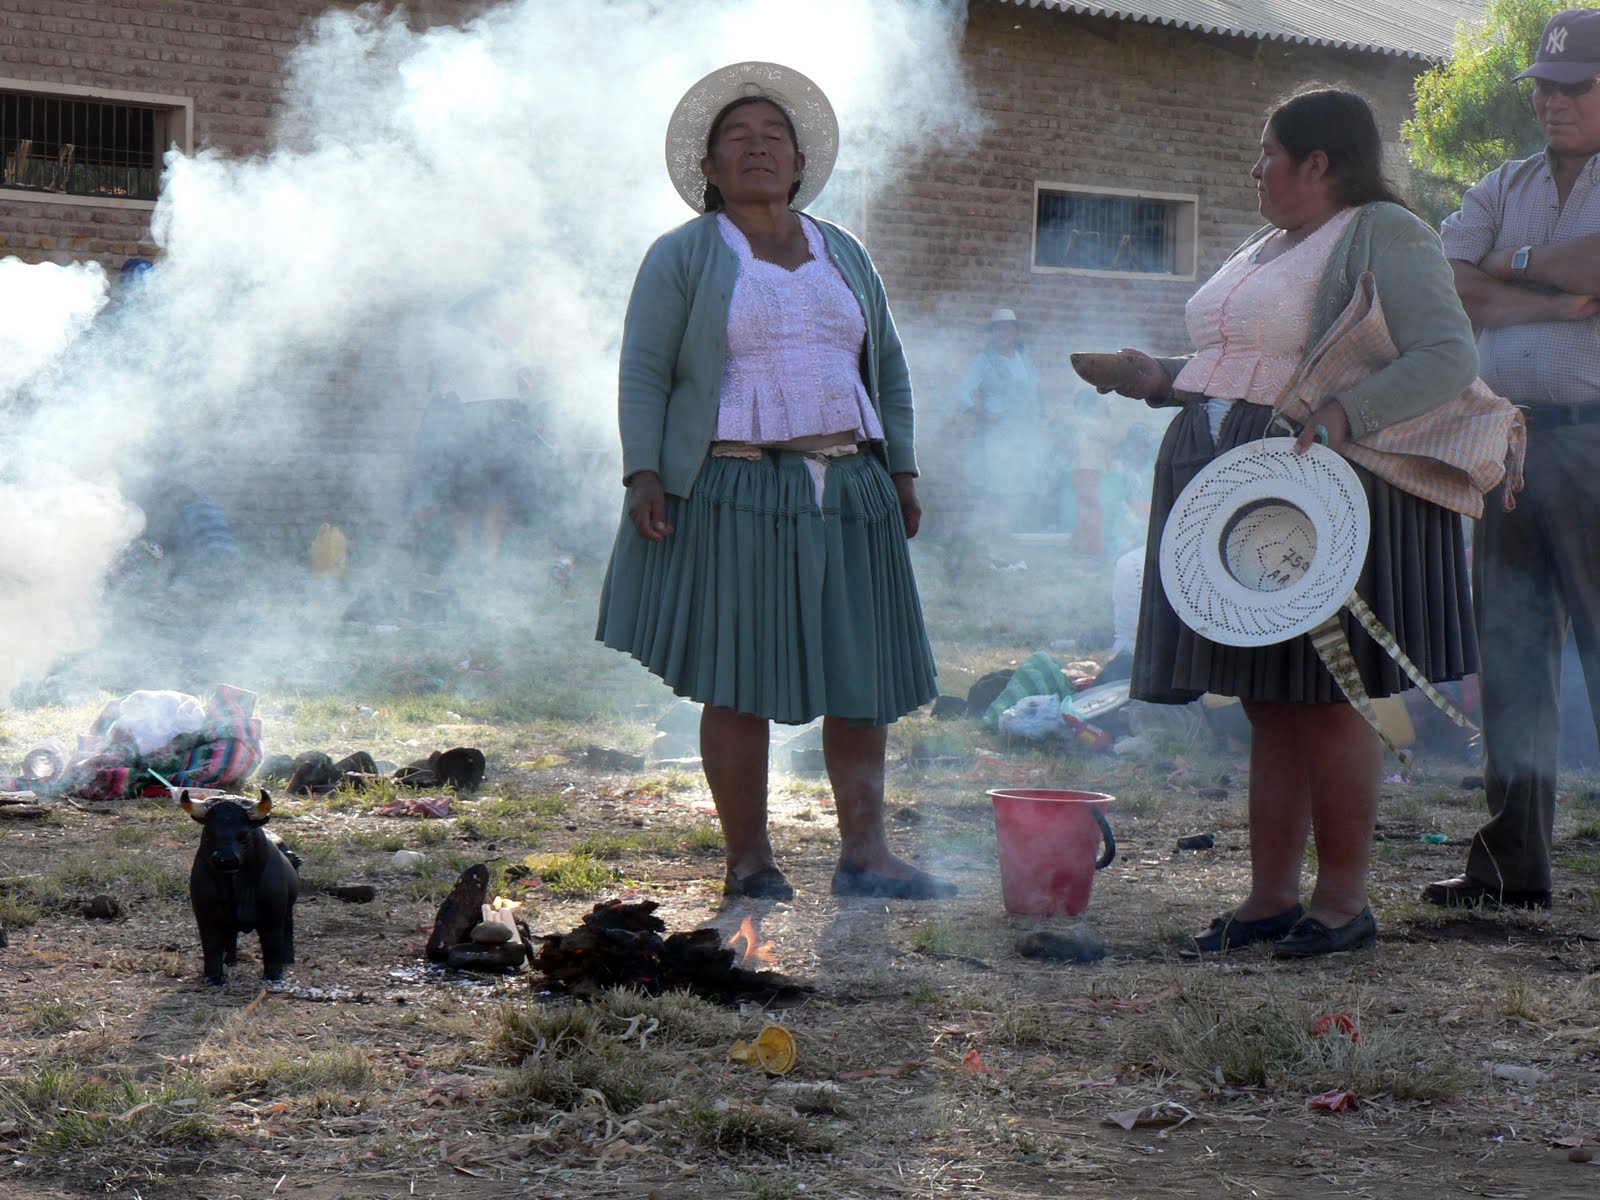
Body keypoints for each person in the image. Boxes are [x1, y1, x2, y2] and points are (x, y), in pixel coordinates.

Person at [1097, 86, 1480, 957]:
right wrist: (1160, 375)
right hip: (1229, 481)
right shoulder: (1269, 245)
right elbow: (1245, 363)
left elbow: (1448, 355)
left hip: (1321, 489)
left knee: (1333, 702)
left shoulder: (1387, 232)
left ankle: (1343, 902)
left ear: (1320, 162)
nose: (1255, 168)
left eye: (1269, 151)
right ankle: (1269, 896)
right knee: (1269, 701)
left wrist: (1347, 415)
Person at [595, 62, 953, 902]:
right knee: (738, 672)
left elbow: (888, 367)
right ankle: (749, 860)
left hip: (852, 483)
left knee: (861, 675)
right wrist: (644, 469)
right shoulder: (683, 256)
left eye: (774, 138)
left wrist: (899, 468)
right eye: (737, 139)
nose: (758, 149)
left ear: (798, 163)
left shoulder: (846, 253)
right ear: (709, 169)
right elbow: (645, 368)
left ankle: (866, 853)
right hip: (737, 483)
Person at [1426, 9, 1600, 911]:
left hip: (1597, 439)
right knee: (1513, 651)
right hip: (1506, 442)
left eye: (1575, 86)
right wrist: (1548, 292)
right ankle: (1510, 866)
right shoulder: (1504, 179)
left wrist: (1512, 263)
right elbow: (1446, 286)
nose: (1555, 102)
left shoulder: (1506, 209)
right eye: (1545, 86)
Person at [407, 291, 542, 574]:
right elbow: (432, 379)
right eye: (481, 311)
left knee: (496, 493)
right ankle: (466, 558)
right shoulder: (450, 340)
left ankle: (489, 560)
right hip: (462, 417)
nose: (487, 316)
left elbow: (527, 381)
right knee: (462, 493)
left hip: (501, 417)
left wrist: (520, 393)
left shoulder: (506, 343)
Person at [957, 308, 1045, 534]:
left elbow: (1035, 393)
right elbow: (962, 394)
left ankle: (1016, 533)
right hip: (997, 434)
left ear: (1015, 330)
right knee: (996, 483)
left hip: (1024, 434)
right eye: (997, 328)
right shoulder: (983, 360)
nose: (1002, 332)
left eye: (1007, 327)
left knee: (1024, 483)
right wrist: (984, 413)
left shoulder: (1025, 359)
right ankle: (991, 533)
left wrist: (1040, 418)